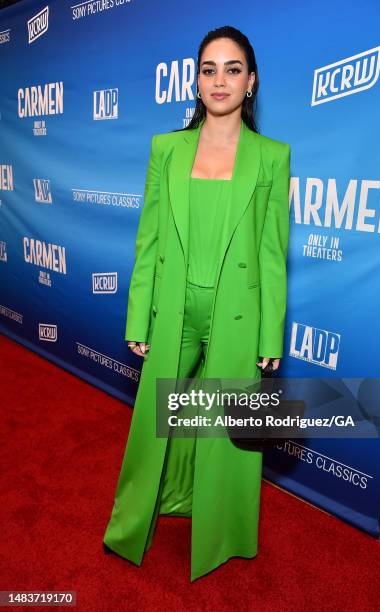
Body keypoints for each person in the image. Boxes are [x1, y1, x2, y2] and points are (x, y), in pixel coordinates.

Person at [103, 24, 291, 582]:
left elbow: (273, 253)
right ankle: (136, 520)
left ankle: (226, 535)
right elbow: (149, 239)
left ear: (251, 82)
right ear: (196, 80)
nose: (220, 80)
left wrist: (270, 335)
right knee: (151, 423)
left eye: (233, 69)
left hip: (238, 311)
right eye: (209, 69)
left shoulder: (273, 156)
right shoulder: (167, 149)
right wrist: (139, 315)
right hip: (172, 307)